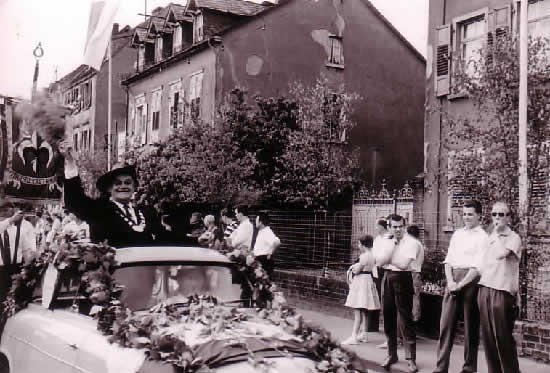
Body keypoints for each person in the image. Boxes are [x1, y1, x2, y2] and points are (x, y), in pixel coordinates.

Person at [61, 142, 169, 248]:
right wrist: (70, 163)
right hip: (113, 265)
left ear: (134, 187)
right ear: (109, 188)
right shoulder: (99, 210)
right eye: (117, 183)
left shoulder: (147, 212)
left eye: (127, 182)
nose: (123, 186)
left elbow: (163, 238)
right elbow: (75, 201)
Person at [433, 199, 489, 373]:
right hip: (453, 281)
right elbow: (448, 260)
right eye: (464, 214)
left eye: (470, 214)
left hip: (471, 283)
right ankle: (441, 367)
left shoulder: (483, 237)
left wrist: (461, 284)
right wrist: (450, 282)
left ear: (479, 215)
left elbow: (478, 267)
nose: (467, 218)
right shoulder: (457, 234)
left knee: (471, 329)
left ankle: (469, 368)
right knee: (445, 326)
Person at [475, 202, 522, 373]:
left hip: (502, 291)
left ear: (509, 218)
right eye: (494, 214)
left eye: (501, 215)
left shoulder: (513, 238)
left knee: (503, 339)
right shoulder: (489, 237)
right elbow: (480, 262)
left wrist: (495, 233)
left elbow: (501, 254)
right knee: (488, 339)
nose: (496, 218)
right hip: (485, 288)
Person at [378, 214, 418, 373]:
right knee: (387, 316)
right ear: (389, 227)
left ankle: (411, 360)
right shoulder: (384, 241)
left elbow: (403, 265)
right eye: (394, 227)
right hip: (387, 278)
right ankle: (391, 354)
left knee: (405, 319)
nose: (398, 229)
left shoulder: (412, 242)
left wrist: (388, 256)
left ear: (405, 226)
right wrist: (391, 248)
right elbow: (379, 262)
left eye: (400, 226)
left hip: (403, 278)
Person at [342, 234, 381, 345]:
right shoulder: (372, 255)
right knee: (365, 310)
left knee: (358, 309)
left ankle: (354, 336)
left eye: (359, 243)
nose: (358, 245)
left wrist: (352, 268)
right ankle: (364, 334)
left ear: (363, 245)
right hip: (368, 280)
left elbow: (357, 271)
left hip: (361, 281)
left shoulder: (364, 256)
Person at [0, 201, 36, 302]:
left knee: (16, 297)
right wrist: (11, 220)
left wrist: (29, 263)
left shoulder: (19, 230)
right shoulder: (2, 227)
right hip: (1, 269)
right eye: (3, 212)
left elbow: (26, 249)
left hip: (16, 267)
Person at [253, 211, 281, 278]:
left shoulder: (267, 231)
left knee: (264, 282)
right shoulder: (262, 231)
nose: (255, 222)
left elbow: (277, 242)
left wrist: (270, 253)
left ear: (261, 222)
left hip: (264, 261)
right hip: (259, 260)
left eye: (256, 220)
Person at [407, 225, 425, 323]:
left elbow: (408, 260)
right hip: (415, 272)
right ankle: (413, 319)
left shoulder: (413, 244)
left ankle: (413, 320)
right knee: (414, 296)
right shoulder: (417, 243)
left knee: (413, 298)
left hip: (413, 273)